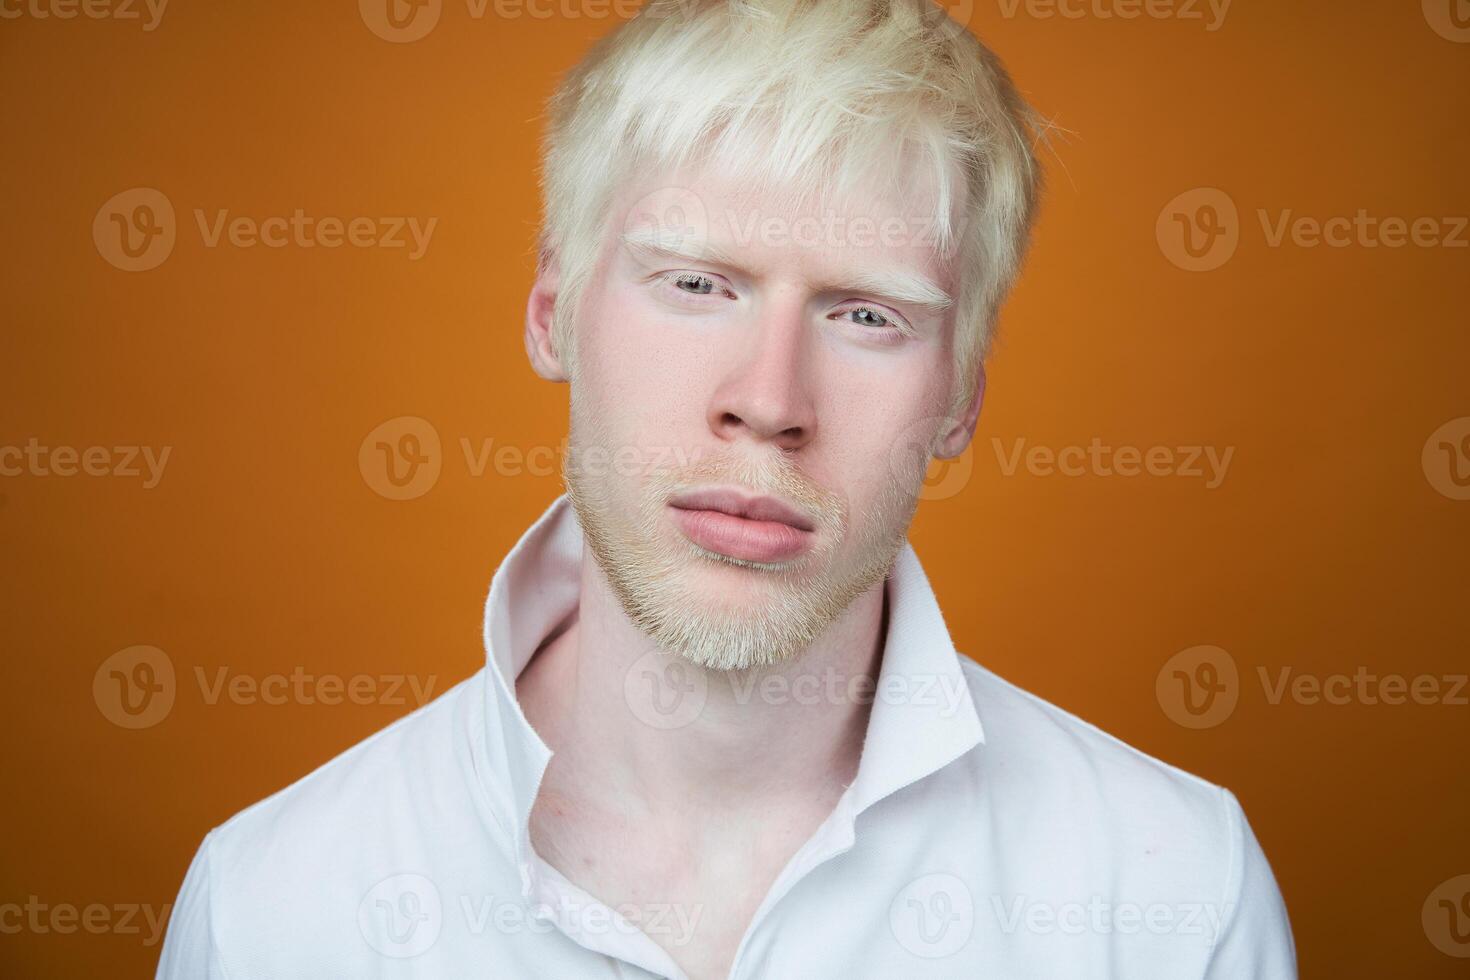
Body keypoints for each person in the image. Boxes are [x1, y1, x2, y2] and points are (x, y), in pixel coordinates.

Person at [157, 2, 1296, 977]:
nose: (769, 400)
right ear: (552, 312)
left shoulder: (1175, 892)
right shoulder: (274, 905)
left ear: (958, 399)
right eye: (698, 283)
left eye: (867, 314)